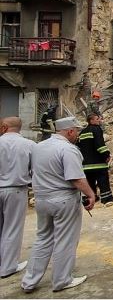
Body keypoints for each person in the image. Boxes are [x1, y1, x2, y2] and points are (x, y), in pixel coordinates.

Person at [21, 117, 96, 293]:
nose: (78, 134)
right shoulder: (68, 150)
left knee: (42, 239)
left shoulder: (38, 147)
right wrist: (91, 194)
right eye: (76, 131)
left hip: (42, 199)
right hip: (63, 200)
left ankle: (29, 281)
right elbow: (76, 178)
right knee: (65, 240)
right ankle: (62, 280)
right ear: (70, 131)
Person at [0, 117, 35, 278]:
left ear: (5, 127)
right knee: (12, 229)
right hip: (16, 190)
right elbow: (36, 170)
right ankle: (8, 266)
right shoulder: (29, 145)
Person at [77, 113, 113, 206]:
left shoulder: (82, 132)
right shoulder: (97, 129)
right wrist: (106, 155)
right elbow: (100, 145)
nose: (100, 120)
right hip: (98, 162)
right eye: (97, 119)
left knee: (90, 181)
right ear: (91, 121)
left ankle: (91, 197)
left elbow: (78, 146)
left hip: (86, 164)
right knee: (103, 180)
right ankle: (106, 198)